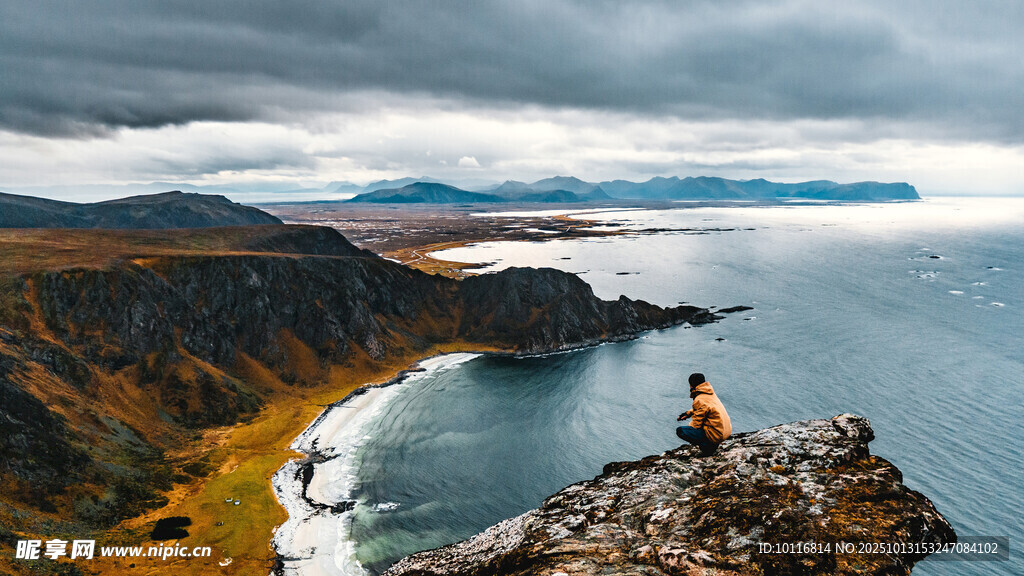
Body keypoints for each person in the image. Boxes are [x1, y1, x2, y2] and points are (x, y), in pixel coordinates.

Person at [676, 372, 731, 456]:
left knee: (681, 431)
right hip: (725, 431)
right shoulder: (710, 393)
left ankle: (707, 448)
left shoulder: (699, 399)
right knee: (703, 423)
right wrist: (688, 413)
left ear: (692, 384)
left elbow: (696, 425)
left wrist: (690, 430)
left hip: (716, 435)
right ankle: (711, 444)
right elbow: (704, 408)